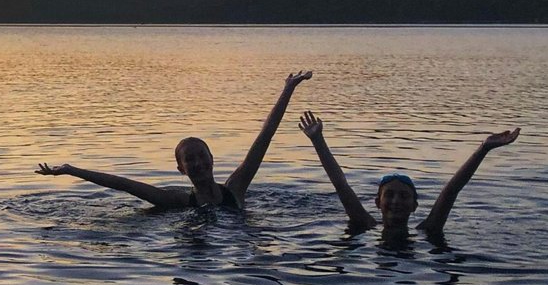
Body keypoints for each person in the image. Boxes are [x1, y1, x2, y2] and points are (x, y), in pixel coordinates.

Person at [35, 71, 314, 209]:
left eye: (201, 155)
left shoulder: (235, 190)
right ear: (181, 169)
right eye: (189, 159)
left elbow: (264, 138)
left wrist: (288, 89)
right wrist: (71, 170)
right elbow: (123, 184)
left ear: (212, 159)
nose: (197, 162)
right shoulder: (178, 202)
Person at [297, 111, 520, 238]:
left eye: (403, 196)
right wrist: (318, 140)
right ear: (377, 202)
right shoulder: (364, 223)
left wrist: (483, 149)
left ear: (415, 205)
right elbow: (341, 185)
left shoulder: (429, 228)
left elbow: (451, 191)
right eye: (390, 195)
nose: (396, 201)